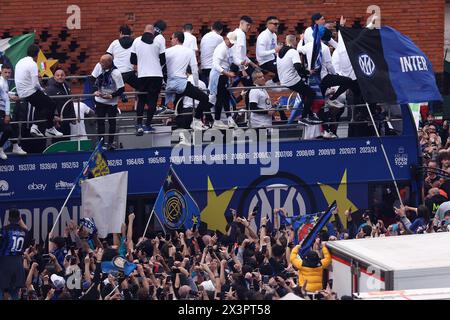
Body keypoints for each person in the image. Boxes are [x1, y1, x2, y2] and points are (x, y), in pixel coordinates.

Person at [165, 32, 211, 132]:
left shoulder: (167, 51)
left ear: (176, 39)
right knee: (204, 98)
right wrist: (197, 85)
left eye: (171, 38)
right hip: (181, 84)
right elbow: (194, 69)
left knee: (177, 102)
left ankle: (166, 109)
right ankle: (197, 119)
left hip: (170, 85)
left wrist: (163, 82)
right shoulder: (189, 51)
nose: (171, 40)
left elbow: (161, 66)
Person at [14, 44, 62, 138]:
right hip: (29, 91)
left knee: (40, 107)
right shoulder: (32, 64)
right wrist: (42, 90)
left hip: (21, 91)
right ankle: (49, 129)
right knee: (51, 104)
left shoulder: (20, 61)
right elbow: (35, 84)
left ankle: (36, 126)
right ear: (37, 55)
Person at [131, 22, 166, 135]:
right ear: (153, 31)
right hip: (156, 75)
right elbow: (163, 60)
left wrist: (141, 61)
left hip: (143, 75)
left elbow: (132, 60)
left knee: (141, 100)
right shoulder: (158, 41)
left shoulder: (136, 41)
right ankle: (148, 125)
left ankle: (139, 124)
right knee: (152, 101)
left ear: (144, 30)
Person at [276, 35, 318, 124]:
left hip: (284, 80)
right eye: (296, 41)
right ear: (294, 41)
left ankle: (309, 114)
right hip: (292, 80)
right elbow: (298, 67)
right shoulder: (293, 52)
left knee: (304, 94)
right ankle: (304, 117)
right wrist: (308, 72)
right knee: (311, 94)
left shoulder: (280, 52)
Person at [92, 54, 125, 150]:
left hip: (111, 102)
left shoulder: (116, 73)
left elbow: (121, 89)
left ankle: (110, 143)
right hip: (99, 100)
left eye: (103, 62)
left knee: (112, 122)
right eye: (100, 61)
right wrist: (95, 91)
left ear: (109, 62)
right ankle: (101, 143)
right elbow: (92, 79)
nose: (100, 63)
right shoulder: (99, 66)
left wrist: (111, 96)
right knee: (100, 122)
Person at [209, 32, 238, 129]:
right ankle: (216, 119)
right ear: (226, 39)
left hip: (223, 74)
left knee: (225, 97)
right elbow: (216, 65)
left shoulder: (228, 48)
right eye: (231, 42)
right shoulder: (221, 49)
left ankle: (229, 118)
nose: (232, 44)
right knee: (219, 98)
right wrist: (227, 73)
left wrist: (241, 63)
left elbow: (231, 61)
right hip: (219, 75)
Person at [0, 208, 30, 300]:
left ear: (8, 218)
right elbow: (27, 242)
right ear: (19, 218)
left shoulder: (4, 230)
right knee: (15, 294)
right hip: (18, 265)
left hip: (5, 264)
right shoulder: (24, 232)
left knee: (1, 290)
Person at [0, 64, 26, 157]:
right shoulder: (1, 83)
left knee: (13, 126)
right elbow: (6, 98)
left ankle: (15, 146)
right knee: (8, 129)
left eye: (9, 73)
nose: (7, 75)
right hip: (2, 111)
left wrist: (12, 95)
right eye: (5, 72)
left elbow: (5, 94)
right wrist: (7, 114)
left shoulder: (5, 81)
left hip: (3, 110)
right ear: (1, 72)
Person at [106, 25, 139, 92]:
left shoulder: (115, 43)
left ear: (121, 33)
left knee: (113, 91)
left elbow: (107, 57)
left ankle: (121, 94)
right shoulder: (135, 43)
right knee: (141, 88)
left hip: (117, 73)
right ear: (130, 34)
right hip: (130, 73)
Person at [46, 69, 76, 139]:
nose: (60, 77)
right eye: (58, 75)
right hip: (57, 120)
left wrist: (73, 116)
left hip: (66, 118)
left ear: (65, 76)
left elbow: (70, 101)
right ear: (54, 77)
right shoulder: (50, 89)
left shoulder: (67, 86)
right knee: (57, 141)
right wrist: (54, 116)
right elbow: (49, 105)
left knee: (67, 139)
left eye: (62, 75)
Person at [231, 16, 259, 87]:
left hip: (236, 64)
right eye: (247, 25)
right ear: (241, 23)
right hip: (238, 66)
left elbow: (242, 54)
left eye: (250, 25)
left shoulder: (235, 32)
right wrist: (242, 70)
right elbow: (239, 53)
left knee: (249, 87)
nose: (249, 27)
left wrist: (252, 64)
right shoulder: (241, 34)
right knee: (251, 87)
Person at [256, 16, 282, 80]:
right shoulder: (263, 36)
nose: (277, 26)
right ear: (267, 24)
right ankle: (272, 83)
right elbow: (260, 53)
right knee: (282, 68)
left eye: (278, 24)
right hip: (264, 62)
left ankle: (275, 82)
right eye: (275, 24)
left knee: (287, 64)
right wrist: (274, 50)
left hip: (272, 59)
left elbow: (275, 50)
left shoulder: (274, 35)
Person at [199, 21, 224, 85]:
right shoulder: (220, 38)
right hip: (213, 68)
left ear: (211, 28)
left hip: (203, 67)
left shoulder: (204, 37)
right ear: (221, 30)